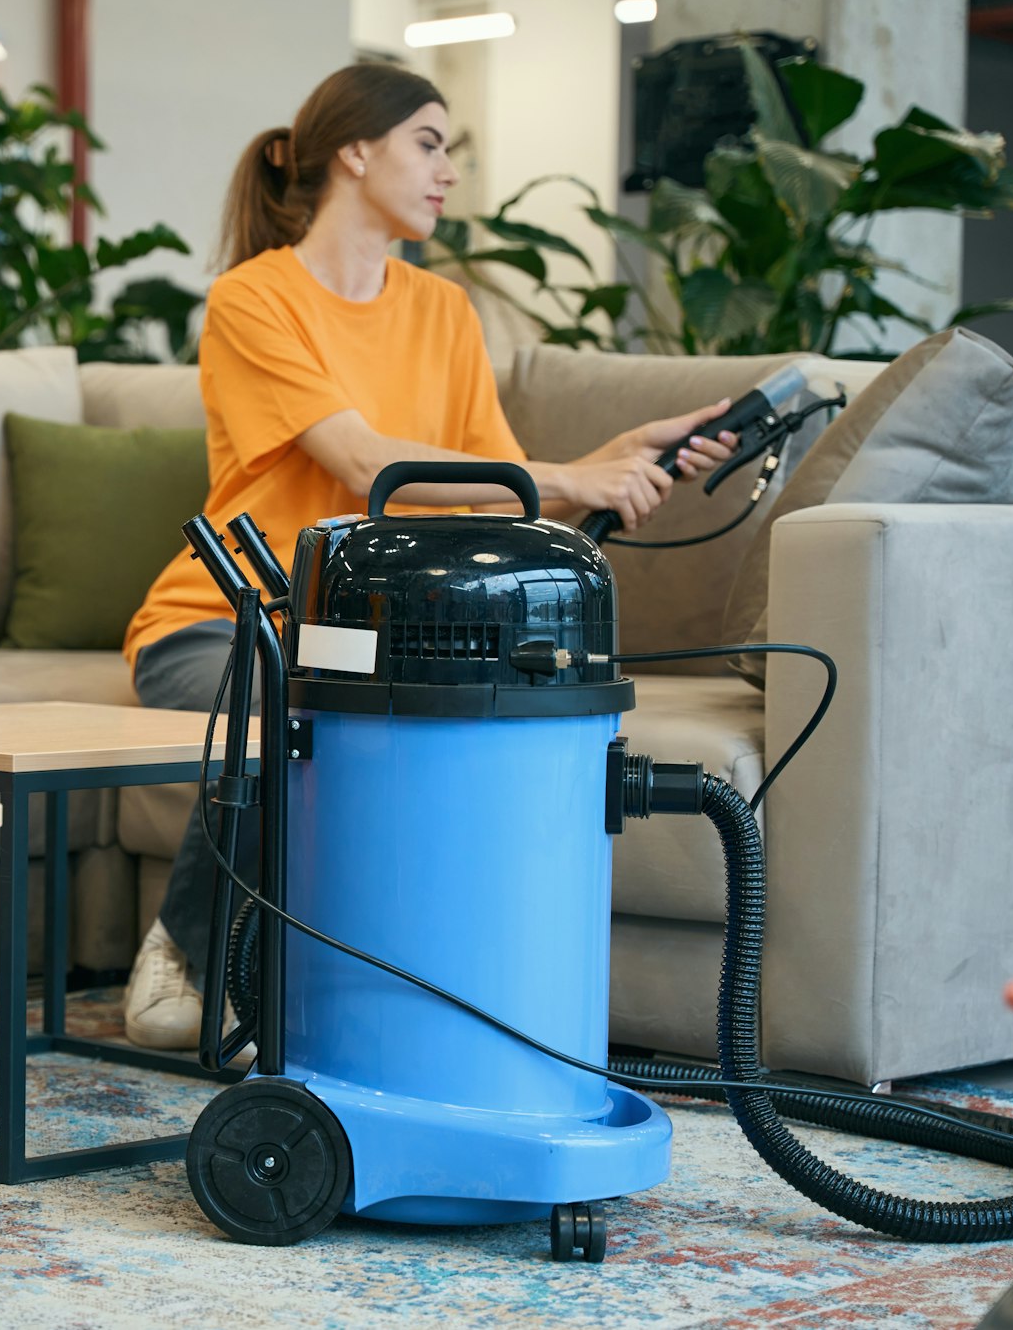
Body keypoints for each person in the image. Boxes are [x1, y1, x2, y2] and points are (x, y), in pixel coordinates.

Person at [119, 64, 741, 1051]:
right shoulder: (252, 300)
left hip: (361, 634)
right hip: (220, 621)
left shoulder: (444, 311)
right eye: (427, 142)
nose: (446, 170)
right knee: (289, 695)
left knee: (405, 711)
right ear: (353, 152)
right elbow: (367, 463)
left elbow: (488, 487)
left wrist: (611, 464)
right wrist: (573, 475)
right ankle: (182, 951)